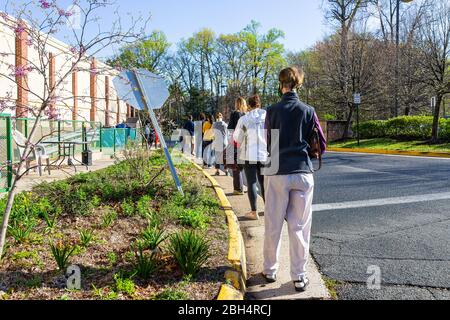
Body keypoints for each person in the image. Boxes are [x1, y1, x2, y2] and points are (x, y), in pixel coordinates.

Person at [263, 67, 326, 292]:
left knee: (273, 223)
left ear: (281, 85)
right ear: (298, 84)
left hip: (277, 169)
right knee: (299, 227)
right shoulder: (308, 110)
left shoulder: (272, 111)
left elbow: (269, 140)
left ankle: (270, 270)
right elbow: (322, 143)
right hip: (302, 170)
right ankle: (299, 277)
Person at [233, 95, 267, 221]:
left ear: (249, 105)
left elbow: (237, 137)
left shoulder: (244, 119)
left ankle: (254, 212)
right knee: (264, 183)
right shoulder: (267, 117)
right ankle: (268, 209)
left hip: (249, 154)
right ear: (259, 104)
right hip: (264, 154)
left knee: (252, 182)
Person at [227, 97, 247, 195]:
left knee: (236, 167)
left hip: (236, 142)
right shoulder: (246, 115)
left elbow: (230, 129)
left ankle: (238, 188)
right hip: (246, 143)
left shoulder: (235, 114)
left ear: (237, 104)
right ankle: (250, 186)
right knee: (246, 166)